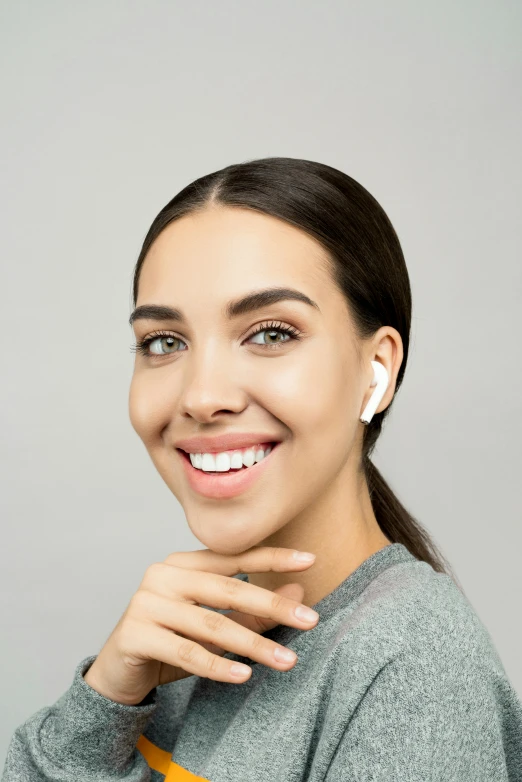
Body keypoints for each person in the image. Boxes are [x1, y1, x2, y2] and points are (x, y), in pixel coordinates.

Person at [3, 157, 521, 781]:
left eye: (271, 333)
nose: (201, 396)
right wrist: (108, 694)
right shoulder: (176, 649)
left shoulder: (415, 669)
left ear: (376, 369)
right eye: (164, 342)